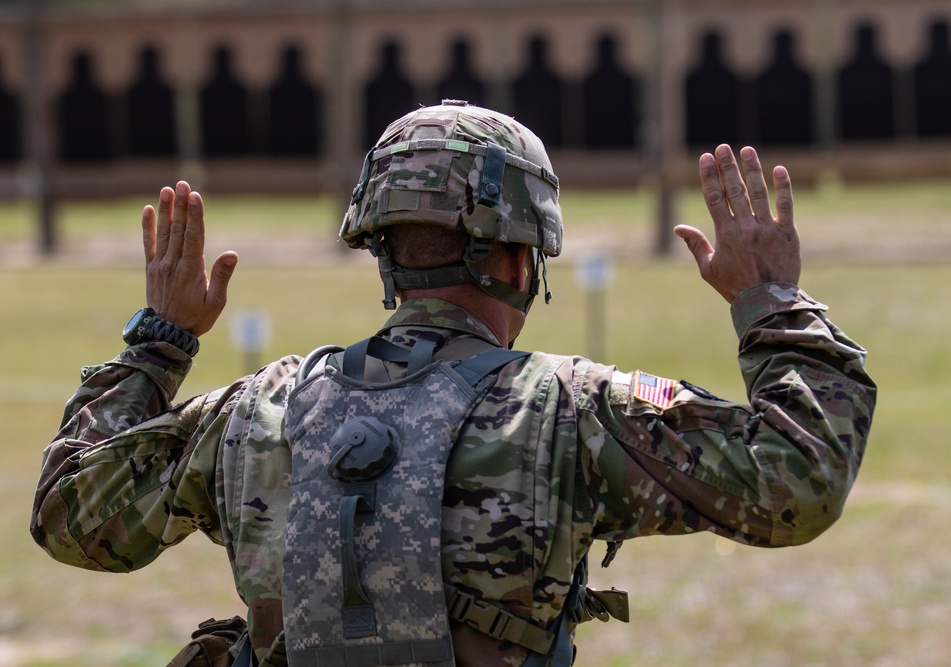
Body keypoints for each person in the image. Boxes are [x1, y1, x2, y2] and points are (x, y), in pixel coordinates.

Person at [31, 101, 876, 667]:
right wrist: (772, 304)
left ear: (384, 250)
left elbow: (74, 513)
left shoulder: (257, 409)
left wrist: (159, 342)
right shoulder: (575, 409)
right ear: (519, 257)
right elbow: (796, 478)